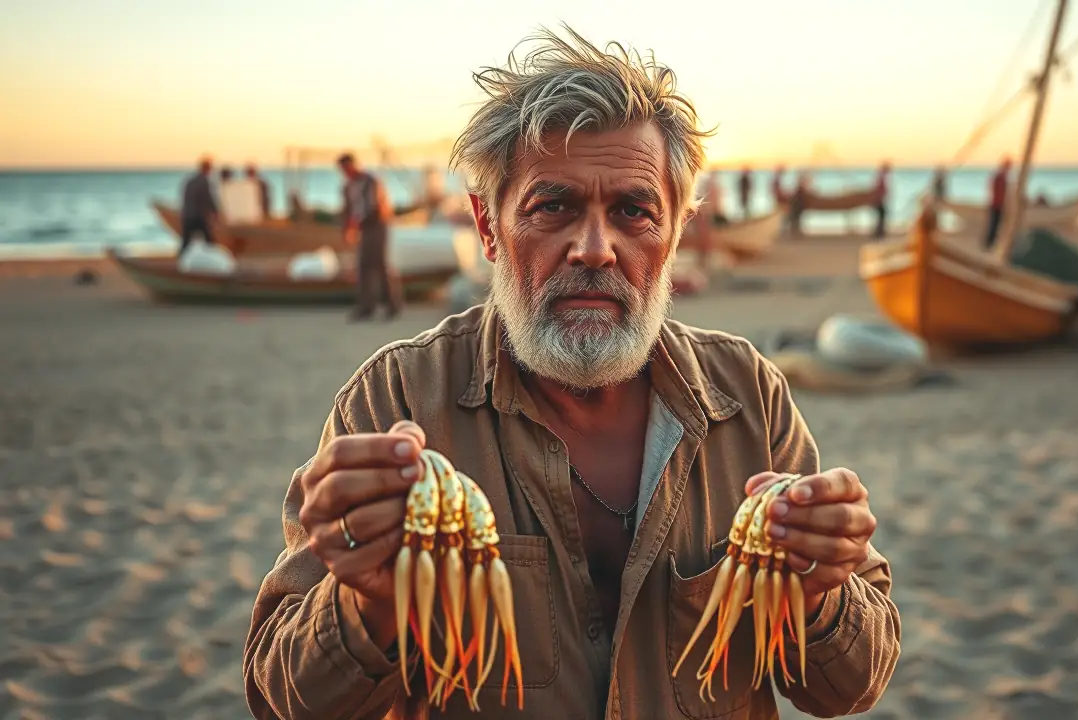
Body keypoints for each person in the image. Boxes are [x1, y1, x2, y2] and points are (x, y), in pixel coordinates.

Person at [245, 25, 900, 720]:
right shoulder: (398, 400)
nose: (595, 250)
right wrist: (365, 599)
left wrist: (822, 589)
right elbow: (282, 698)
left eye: (633, 211)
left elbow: (849, 688)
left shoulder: (747, 399)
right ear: (488, 226)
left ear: (674, 233)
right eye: (552, 207)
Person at [337, 153, 402, 321]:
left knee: (379, 264)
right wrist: (348, 229)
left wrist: (357, 224)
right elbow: (348, 209)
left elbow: (375, 207)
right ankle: (366, 307)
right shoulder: (348, 186)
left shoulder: (370, 181)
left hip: (377, 225)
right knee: (364, 266)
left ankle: (391, 305)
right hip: (364, 227)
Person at [178, 156, 219, 256]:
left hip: (187, 215)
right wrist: (216, 212)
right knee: (209, 241)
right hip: (198, 216)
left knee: (186, 241)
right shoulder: (204, 181)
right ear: (207, 169)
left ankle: (180, 262)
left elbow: (184, 197)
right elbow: (208, 198)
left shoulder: (190, 180)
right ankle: (212, 261)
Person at [985, 156, 1013, 249]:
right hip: (997, 204)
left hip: (998, 203)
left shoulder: (1001, 176)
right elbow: (997, 190)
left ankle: (990, 243)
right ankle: (989, 243)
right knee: (994, 224)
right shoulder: (1000, 176)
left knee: (995, 225)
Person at [872, 161, 891, 238]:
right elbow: (879, 189)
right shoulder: (881, 176)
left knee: (881, 215)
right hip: (878, 200)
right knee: (882, 215)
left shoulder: (881, 176)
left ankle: (879, 232)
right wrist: (878, 198)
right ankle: (879, 232)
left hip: (879, 199)